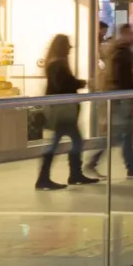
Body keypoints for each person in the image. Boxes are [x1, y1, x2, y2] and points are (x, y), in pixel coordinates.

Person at [34, 33, 92, 189]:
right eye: (68, 45)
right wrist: (80, 83)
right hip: (63, 110)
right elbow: (64, 85)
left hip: (60, 109)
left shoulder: (53, 63)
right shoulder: (58, 64)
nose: (70, 49)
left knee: (67, 142)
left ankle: (60, 175)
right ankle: (65, 175)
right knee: (68, 142)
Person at [102, 28, 133, 177]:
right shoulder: (122, 53)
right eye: (131, 33)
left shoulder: (116, 51)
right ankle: (132, 166)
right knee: (124, 134)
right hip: (123, 97)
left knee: (123, 134)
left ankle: (132, 165)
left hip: (119, 96)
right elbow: (123, 78)